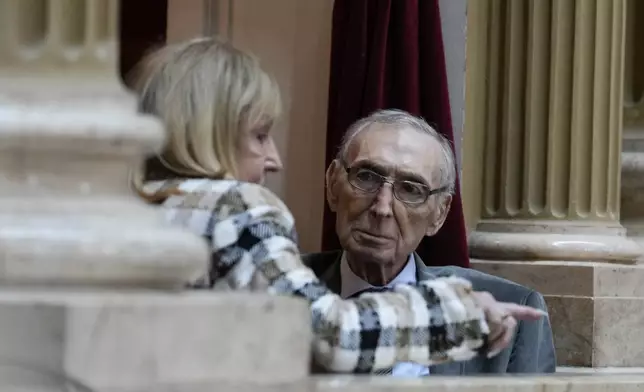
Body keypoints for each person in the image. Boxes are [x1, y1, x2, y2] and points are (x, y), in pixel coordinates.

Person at [129, 37, 546, 374]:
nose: (274, 158)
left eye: (411, 189)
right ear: (206, 134)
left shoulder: (122, 215)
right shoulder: (231, 210)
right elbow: (331, 336)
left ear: (441, 212)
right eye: (259, 135)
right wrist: (460, 312)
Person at [304, 109, 556, 375]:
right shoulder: (277, 290)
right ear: (332, 184)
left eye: (411, 189)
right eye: (366, 177)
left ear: (440, 213)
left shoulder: (511, 309)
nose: (383, 208)